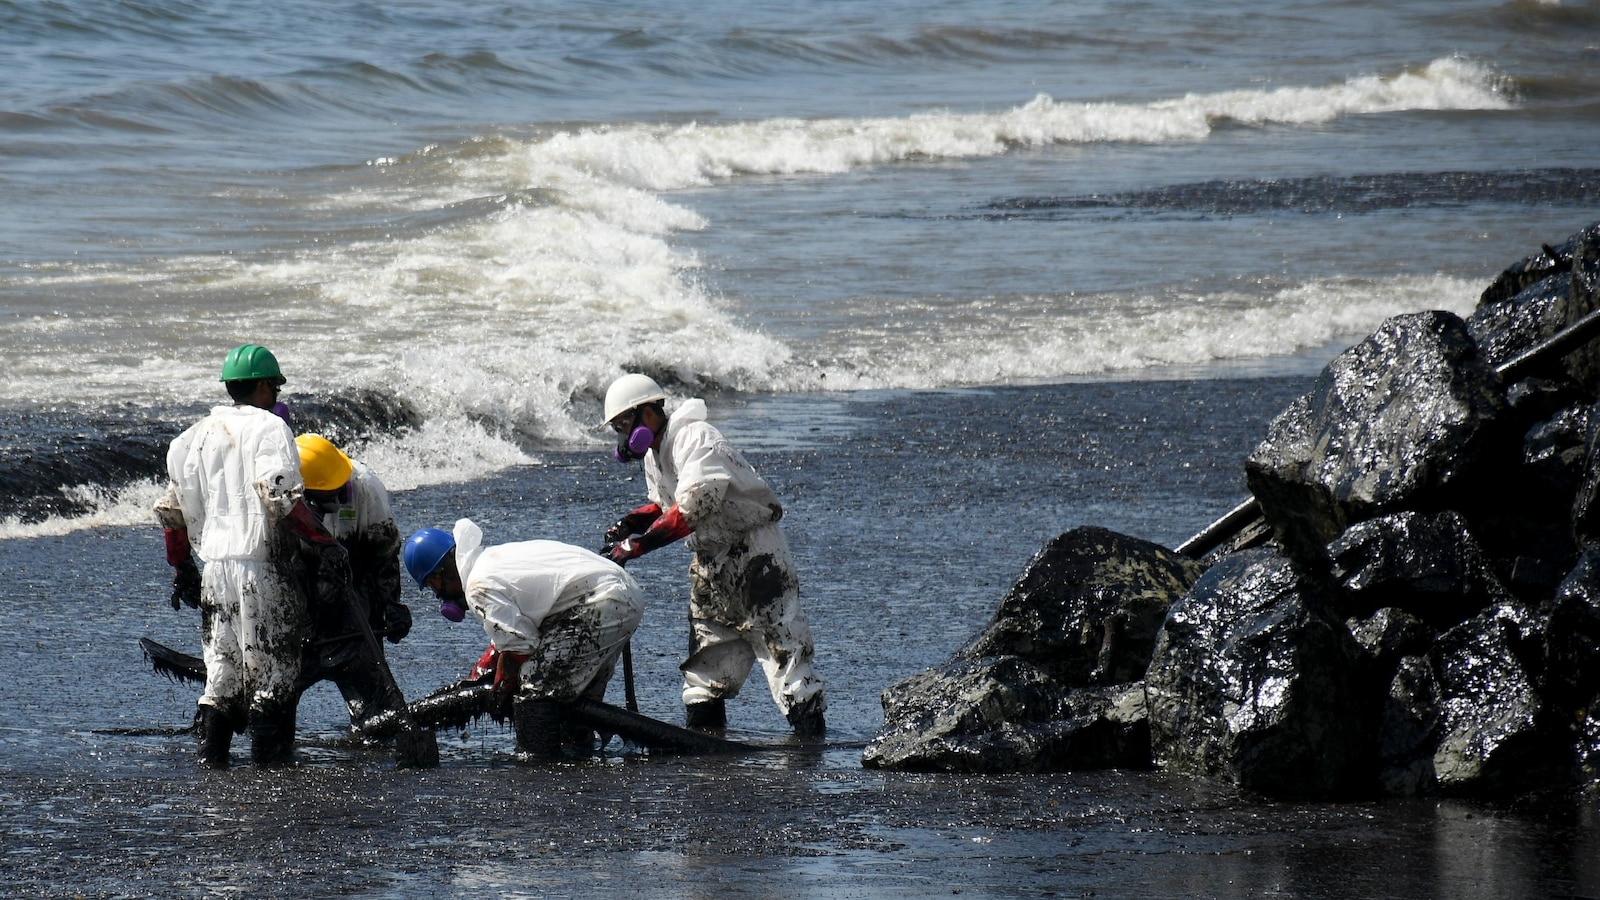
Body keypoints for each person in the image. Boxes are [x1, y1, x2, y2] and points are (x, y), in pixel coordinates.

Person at [598, 373, 827, 736]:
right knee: (707, 666)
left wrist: (638, 546)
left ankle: (810, 745)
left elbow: (695, 506)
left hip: (755, 554)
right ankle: (708, 748)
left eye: (625, 423)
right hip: (711, 561)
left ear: (649, 412)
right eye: (618, 428)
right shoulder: (655, 455)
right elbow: (665, 505)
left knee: (783, 650)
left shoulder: (696, 438)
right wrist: (631, 523)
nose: (624, 435)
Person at [154, 343, 308, 767]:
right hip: (263, 568)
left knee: (221, 672)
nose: (275, 395)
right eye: (274, 387)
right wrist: (326, 544)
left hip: (215, 572)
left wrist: (182, 568)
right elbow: (279, 497)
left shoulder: (192, 437)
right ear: (262, 386)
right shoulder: (270, 428)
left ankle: (213, 764)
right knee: (273, 673)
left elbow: (171, 512)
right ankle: (270, 773)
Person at [403, 518, 644, 758]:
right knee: (575, 698)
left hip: (602, 602)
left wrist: (499, 693)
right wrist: (480, 673)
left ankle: (539, 763)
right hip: (618, 595)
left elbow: (518, 646)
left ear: (437, 577)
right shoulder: (489, 560)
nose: (440, 596)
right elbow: (516, 631)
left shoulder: (477, 586)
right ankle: (579, 756)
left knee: (534, 686)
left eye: (433, 588)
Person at [288, 434, 414, 729]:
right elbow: (283, 565)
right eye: (325, 498)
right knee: (281, 694)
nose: (336, 500)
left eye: (338, 492)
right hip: (305, 591)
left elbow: (384, 552)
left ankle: (372, 726)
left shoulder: (365, 485)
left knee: (375, 703)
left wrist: (391, 605)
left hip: (356, 589)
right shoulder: (284, 495)